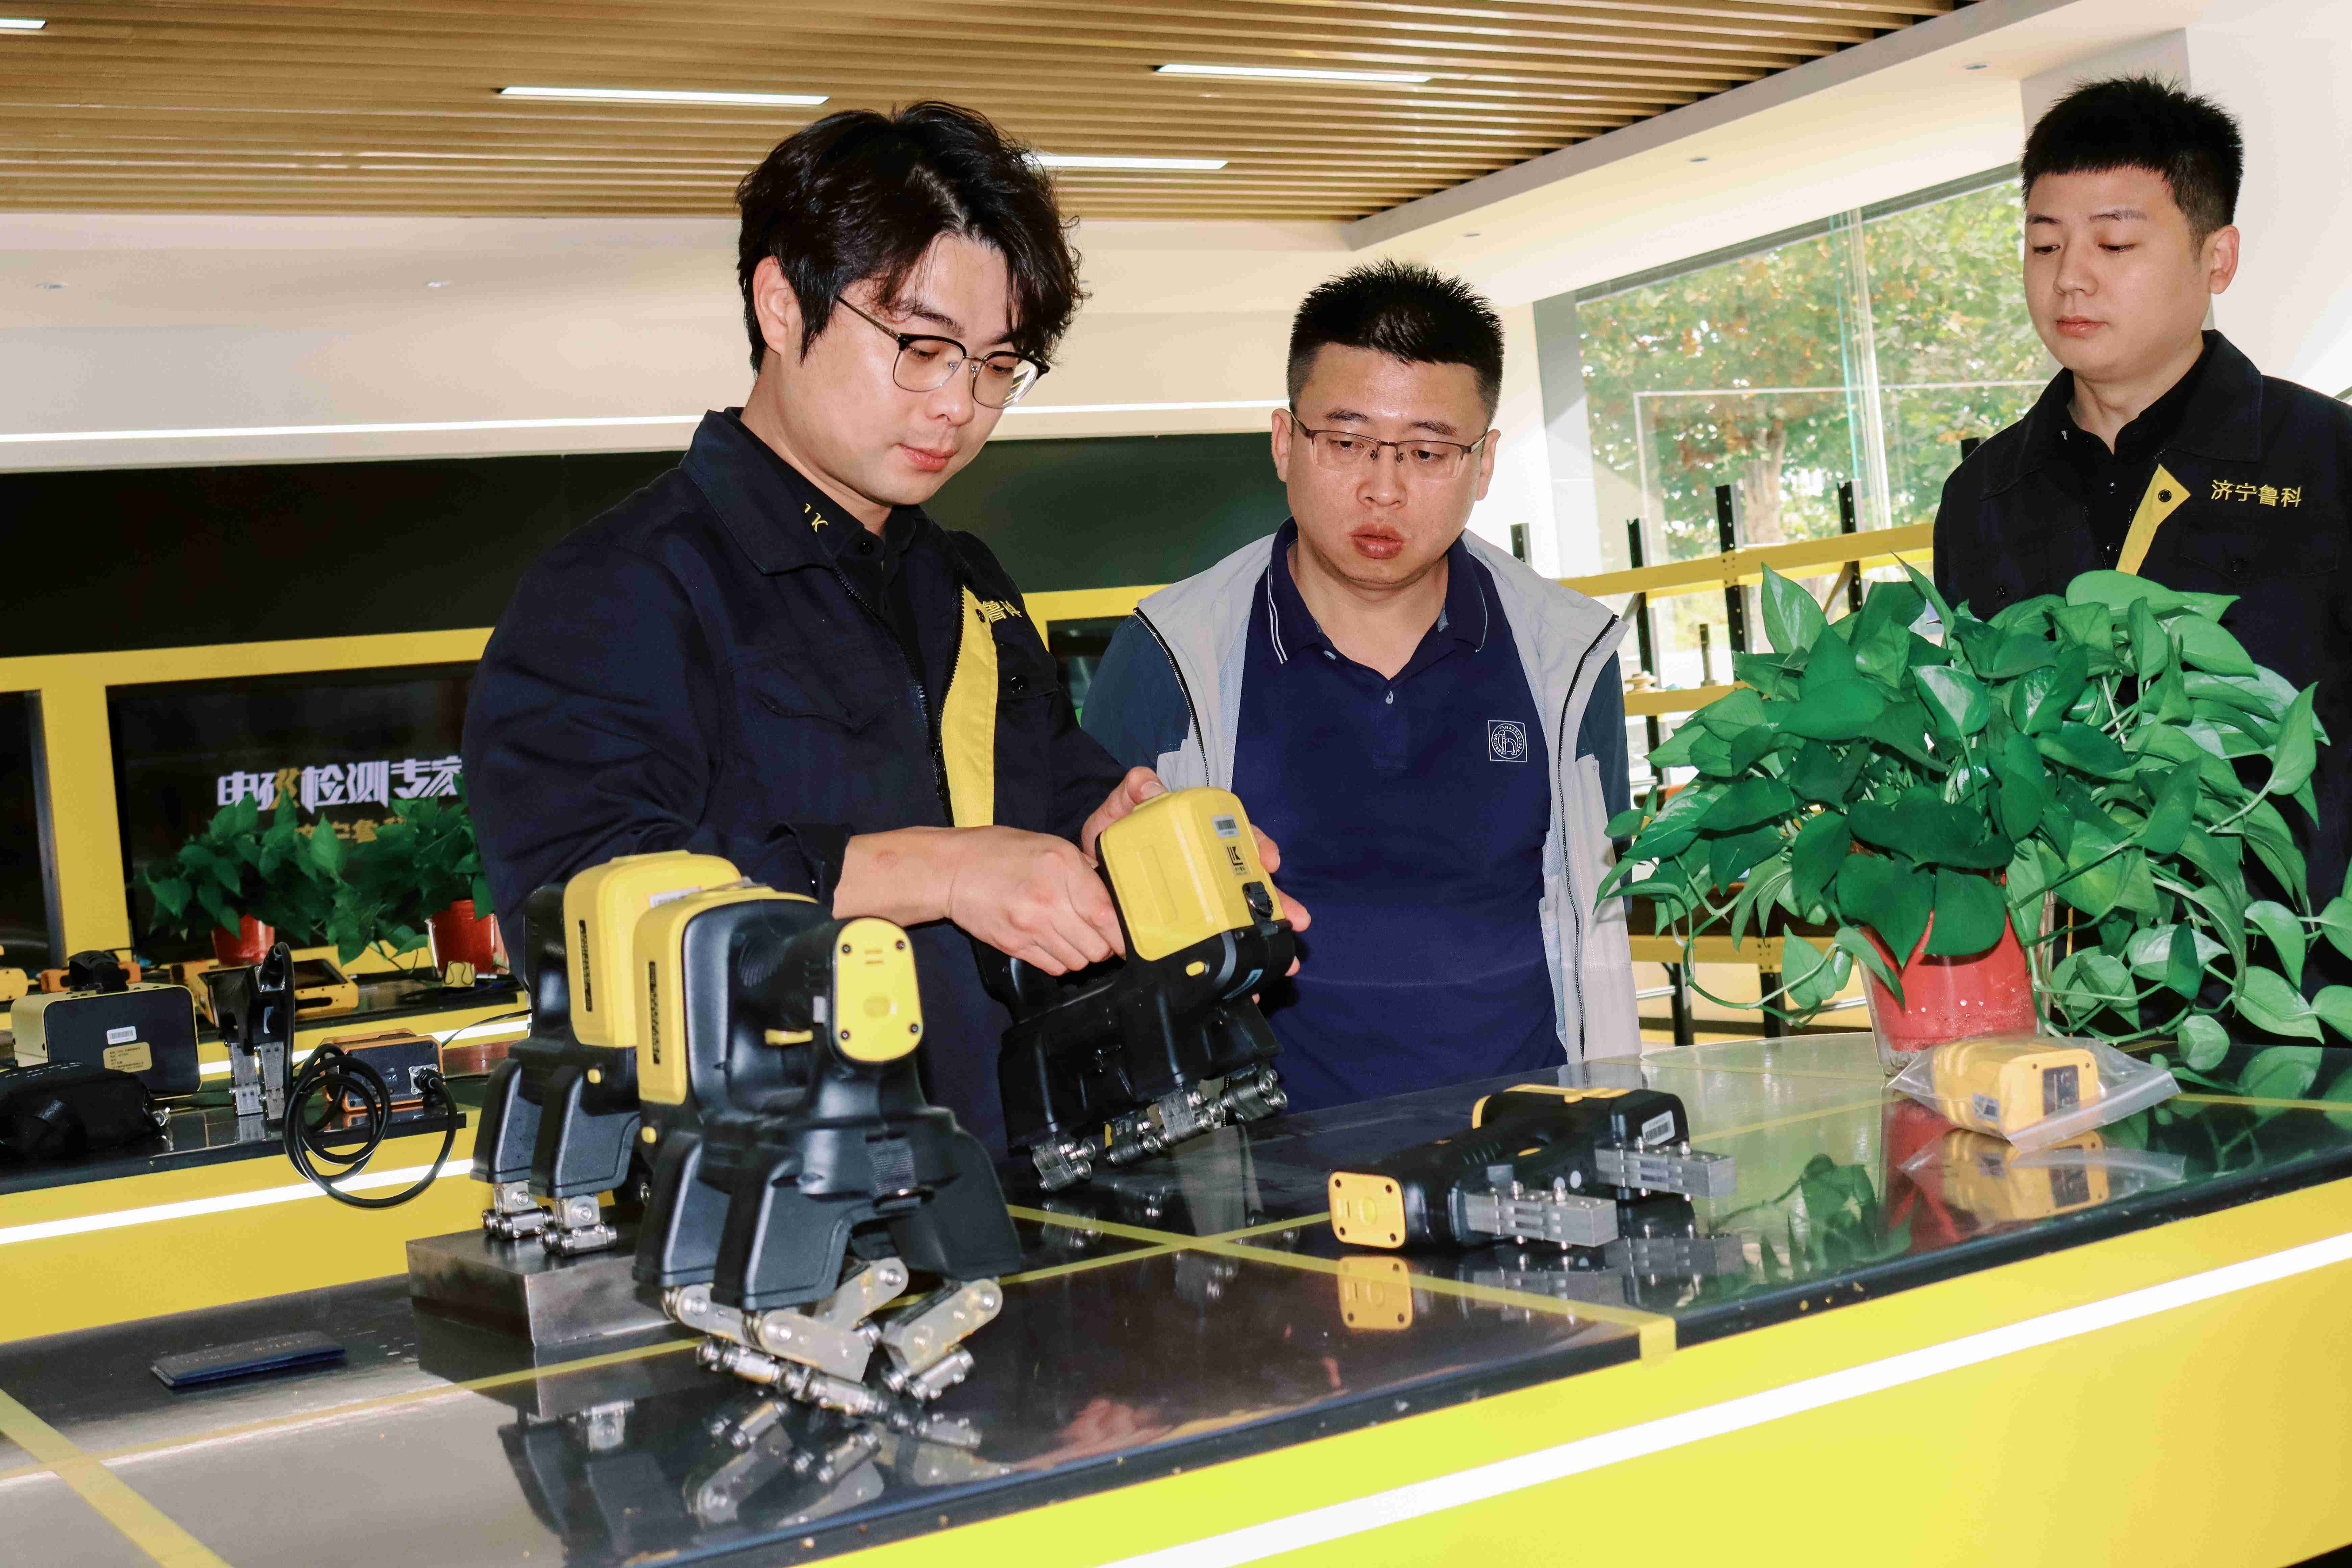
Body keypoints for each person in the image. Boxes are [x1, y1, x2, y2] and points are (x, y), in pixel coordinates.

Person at [462, 103, 1268, 1151]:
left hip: (1005, 1179)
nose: (959, 406)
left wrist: (1119, 834)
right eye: (924, 348)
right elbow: (583, 914)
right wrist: (938, 871)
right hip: (765, 1199)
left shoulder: (964, 584)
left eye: (997, 366)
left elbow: (1044, 794)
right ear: (782, 305)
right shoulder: (617, 591)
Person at [1080, 261, 1638, 1115]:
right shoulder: (1170, 654)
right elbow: (1099, 931)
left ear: (1484, 463)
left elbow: (1597, 924)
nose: (1384, 488)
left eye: (1428, 451)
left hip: (1525, 1153)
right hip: (1261, 1169)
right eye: (1345, 443)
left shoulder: (1569, 655)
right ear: (1284, 442)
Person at [1933, 76, 2352, 989]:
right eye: (2045, 244)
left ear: (2218, 258)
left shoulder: (2329, 463)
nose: (2069, 278)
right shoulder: (1984, 498)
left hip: (2309, 1001)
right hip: (2074, 1013)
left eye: (2115, 243)